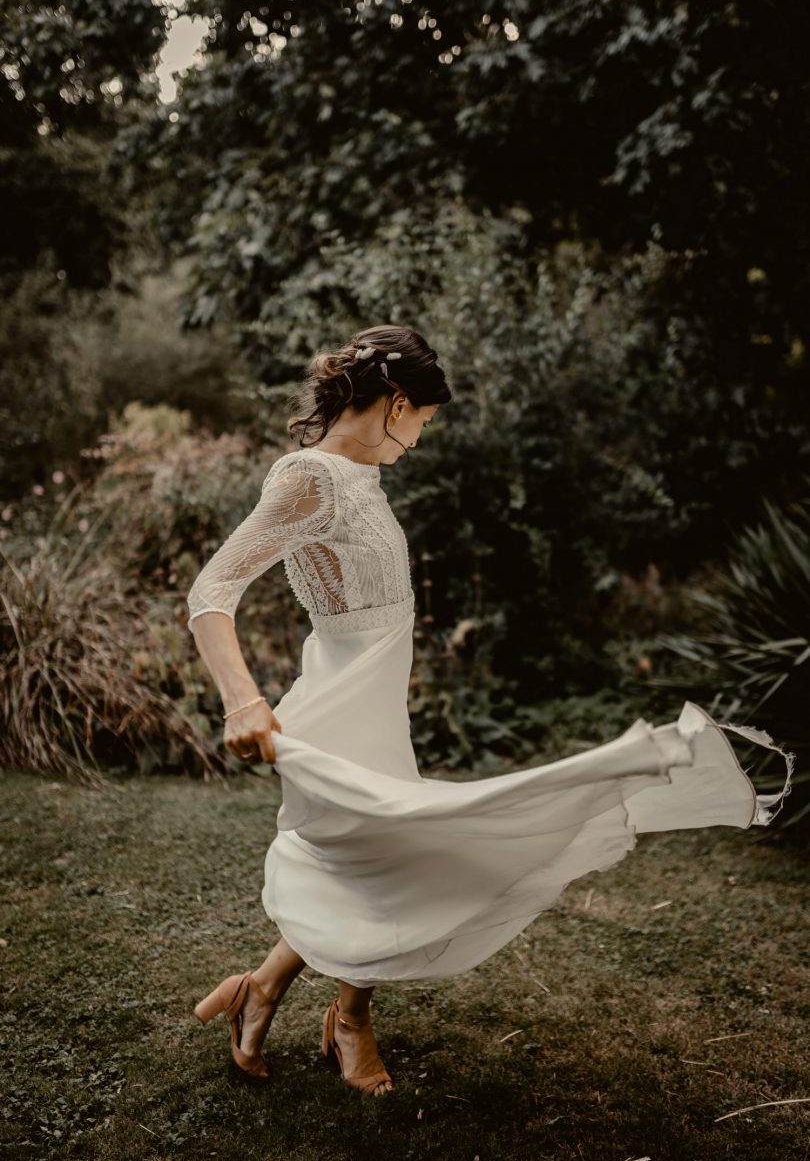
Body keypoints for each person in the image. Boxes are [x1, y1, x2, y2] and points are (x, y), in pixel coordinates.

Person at [186, 323, 793, 1097]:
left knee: (388, 865)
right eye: (423, 424)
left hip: (377, 705)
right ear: (398, 402)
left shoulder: (362, 476)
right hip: (337, 712)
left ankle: (273, 992)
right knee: (393, 865)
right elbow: (211, 592)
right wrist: (243, 697)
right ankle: (342, 1017)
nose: (420, 441)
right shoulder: (311, 477)